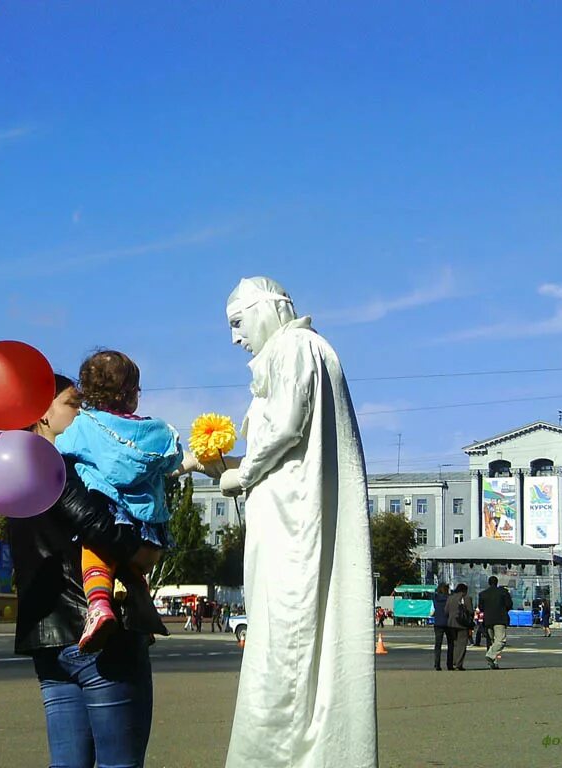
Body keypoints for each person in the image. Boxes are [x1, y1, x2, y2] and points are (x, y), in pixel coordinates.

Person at [214, 277, 376, 768]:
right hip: (288, 513)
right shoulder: (308, 350)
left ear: (267, 310)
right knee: (291, 634)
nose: (236, 339)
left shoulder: (295, 346)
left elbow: (287, 423)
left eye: (238, 324)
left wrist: (242, 473)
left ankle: (276, 754)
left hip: (292, 522)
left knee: (285, 637)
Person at [7, 374, 166, 767]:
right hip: (98, 638)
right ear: (42, 413)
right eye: (73, 404)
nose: (83, 413)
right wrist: (143, 552)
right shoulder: (63, 467)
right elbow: (99, 527)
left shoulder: (12, 476)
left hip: (46, 643)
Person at [54, 350, 190, 653]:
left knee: (95, 553)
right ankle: (143, 613)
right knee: (134, 570)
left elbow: (57, 451)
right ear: (132, 393)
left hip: (112, 513)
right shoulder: (154, 431)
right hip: (149, 526)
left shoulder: (84, 426)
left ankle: (99, 606)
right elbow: (173, 460)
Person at [477, 575, 513, 670]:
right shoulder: (503, 592)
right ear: (497, 583)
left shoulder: (483, 594)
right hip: (500, 619)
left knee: (492, 641)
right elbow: (509, 604)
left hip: (488, 620)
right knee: (501, 640)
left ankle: (493, 663)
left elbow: (481, 608)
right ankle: (490, 655)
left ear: (489, 583)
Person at [445, 583, 473, 671]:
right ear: (464, 590)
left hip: (451, 623)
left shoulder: (450, 598)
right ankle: (458, 663)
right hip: (462, 623)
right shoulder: (466, 598)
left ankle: (452, 661)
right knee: (461, 644)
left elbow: (446, 611)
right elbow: (470, 611)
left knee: (454, 644)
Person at [431, 583, 454, 671]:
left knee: (438, 644)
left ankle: (437, 664)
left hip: (438, 622)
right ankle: (450, 664)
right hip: (448, 622)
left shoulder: (435, 598)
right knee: (450, 644)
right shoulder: (449, 598)